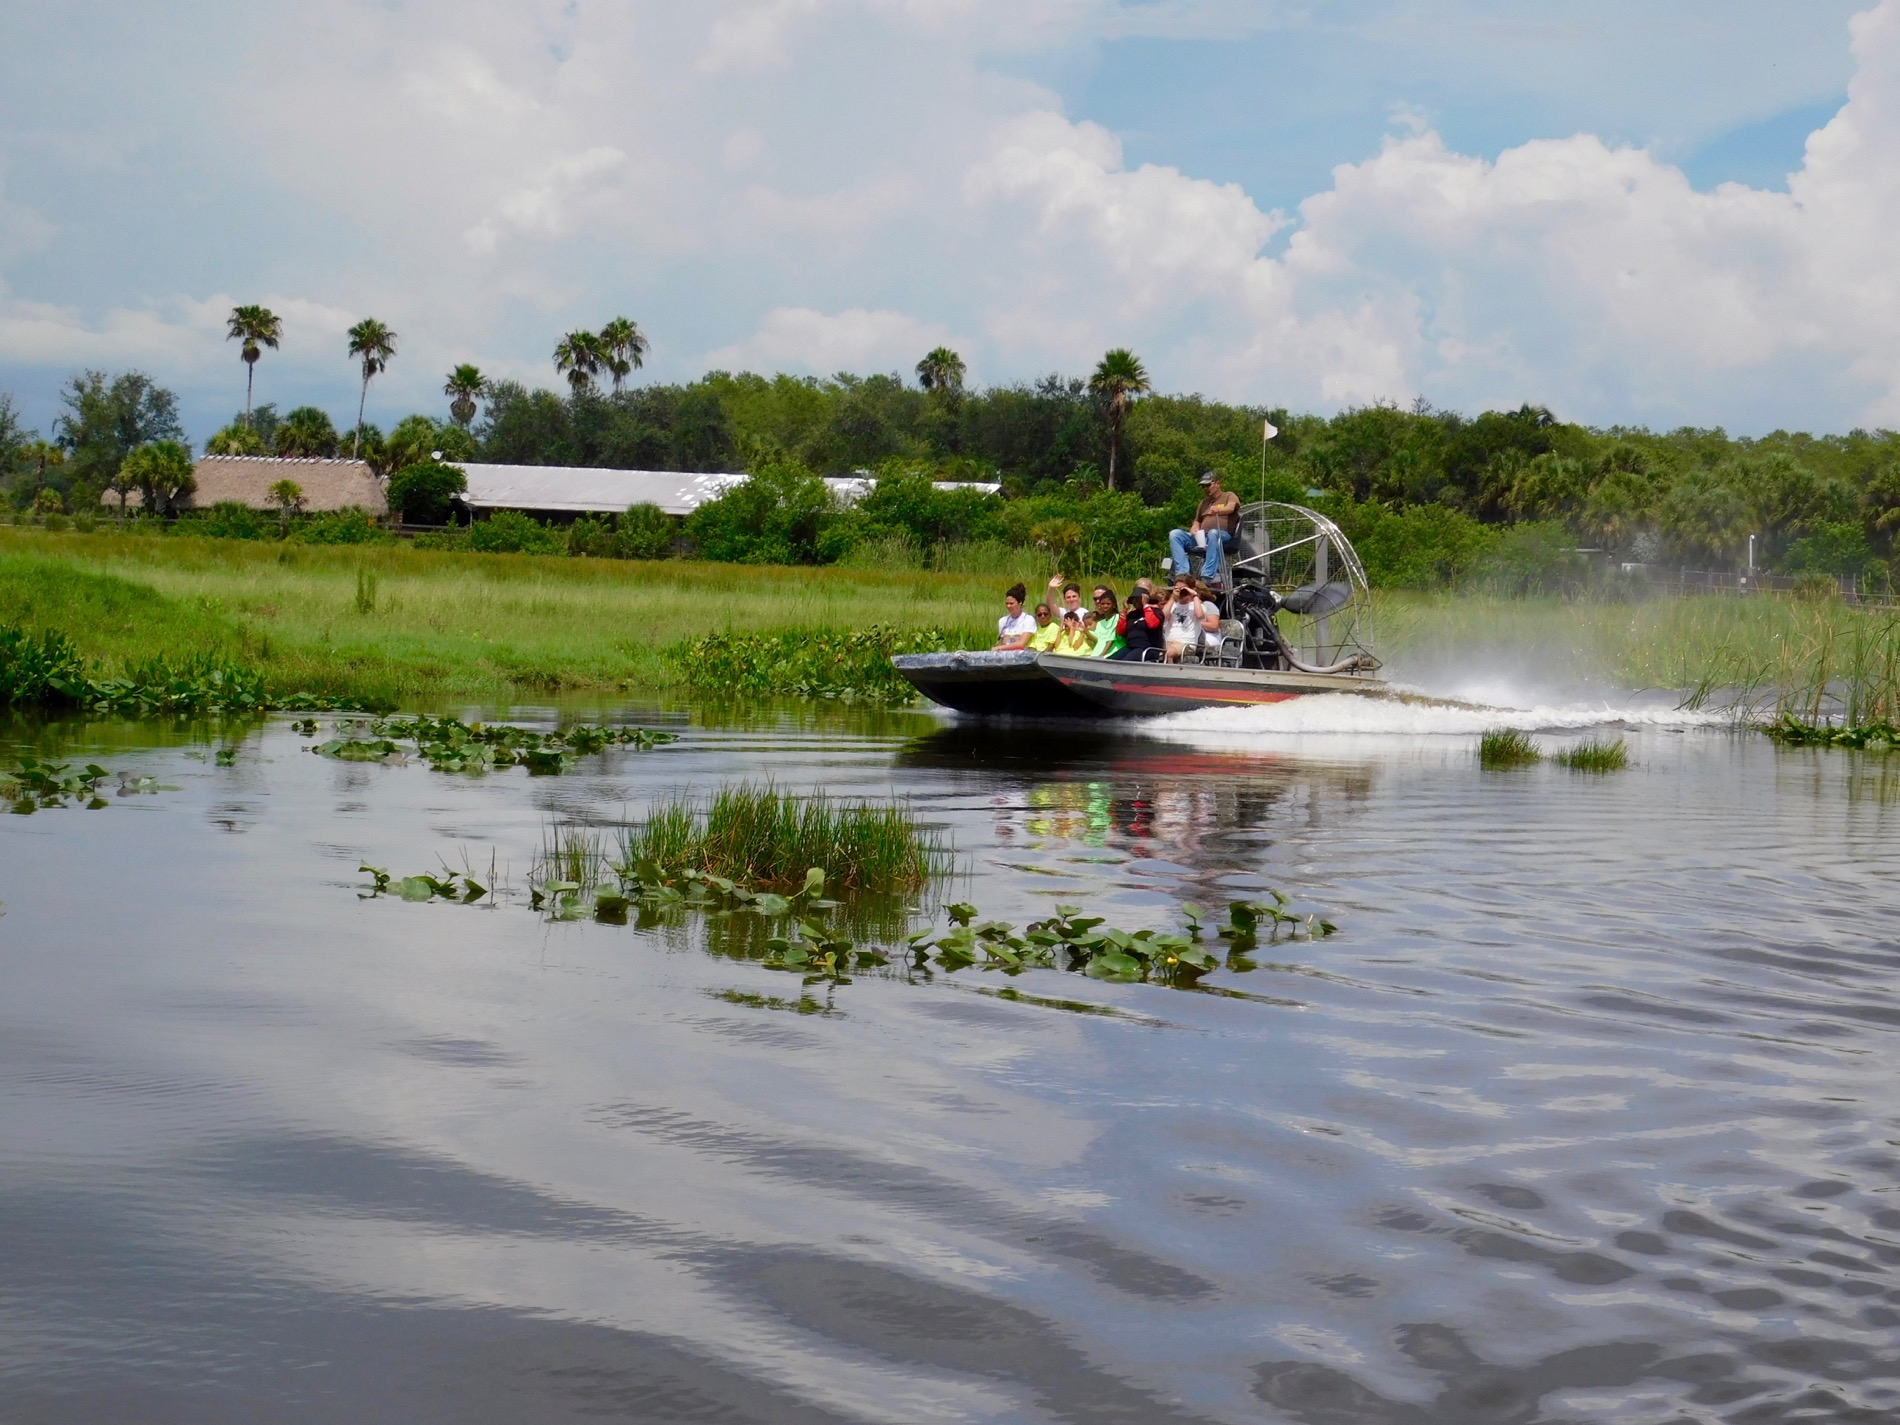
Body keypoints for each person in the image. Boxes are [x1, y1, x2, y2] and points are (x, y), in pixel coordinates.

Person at [1168, 472, 1241, 586]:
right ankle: (1183, 574)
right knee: (1175, 534)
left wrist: (1218, 510)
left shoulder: (1229, 496)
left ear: (1217, 483)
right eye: (1203, 486)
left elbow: (1231, 508)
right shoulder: (1204, 503)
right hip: (1202, 537)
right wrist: (1194, 528)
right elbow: (1197, 521)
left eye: (1208, 485)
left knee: (1213, 533)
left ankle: (1207, 575)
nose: (1205, 489)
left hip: (1224, 536)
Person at [1162, 579, 1212, 662]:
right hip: (1168, 642)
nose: (1181, 592)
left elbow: (1199, 615)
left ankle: (1170, 673)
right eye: (1178, 588)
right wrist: (1173, 597)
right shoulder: (1172, 605)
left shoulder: (1197, 605)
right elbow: (1163, 617)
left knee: (1169, 652)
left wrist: (1195, 595)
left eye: (1184, 589)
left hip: (1186, 644)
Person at [1112, 589, 1162, 661]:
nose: (1136, 602)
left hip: (1148, 648)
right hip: (1131, 647)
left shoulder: (1156, 612)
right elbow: (1120, 631)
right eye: (1134, 600)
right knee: (1111, 661)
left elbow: (1152, 624)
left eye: (1139, 599)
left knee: (1126, 662)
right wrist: (1125, 611)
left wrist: (1145, 605)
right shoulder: (1131, 615)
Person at [994, 583, 1036, 649]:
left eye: (1011, 603)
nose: (1008, 606)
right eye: (1007, 603)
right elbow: (1003, 643)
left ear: (1020, 603)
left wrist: (999, 648)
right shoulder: (1003, 621)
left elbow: (1021, 644)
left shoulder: (1028, 620)